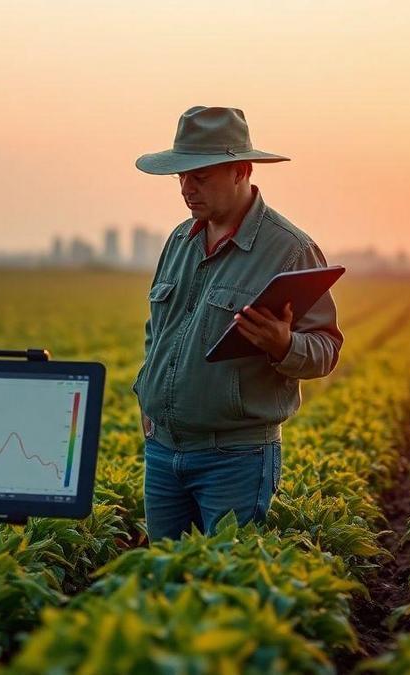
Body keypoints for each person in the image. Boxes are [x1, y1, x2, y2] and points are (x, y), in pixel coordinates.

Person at [130, 105, 343, 541]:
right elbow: (158, 331)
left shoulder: (289, 249)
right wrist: (146, 400)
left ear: (241, 171)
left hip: (234, 459)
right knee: (164, 576)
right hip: (163, 453)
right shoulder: (179, 240)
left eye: (200, 176)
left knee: (227, 576)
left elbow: (326, 349)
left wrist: (284, 345)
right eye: (181, 176)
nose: (186, 188)